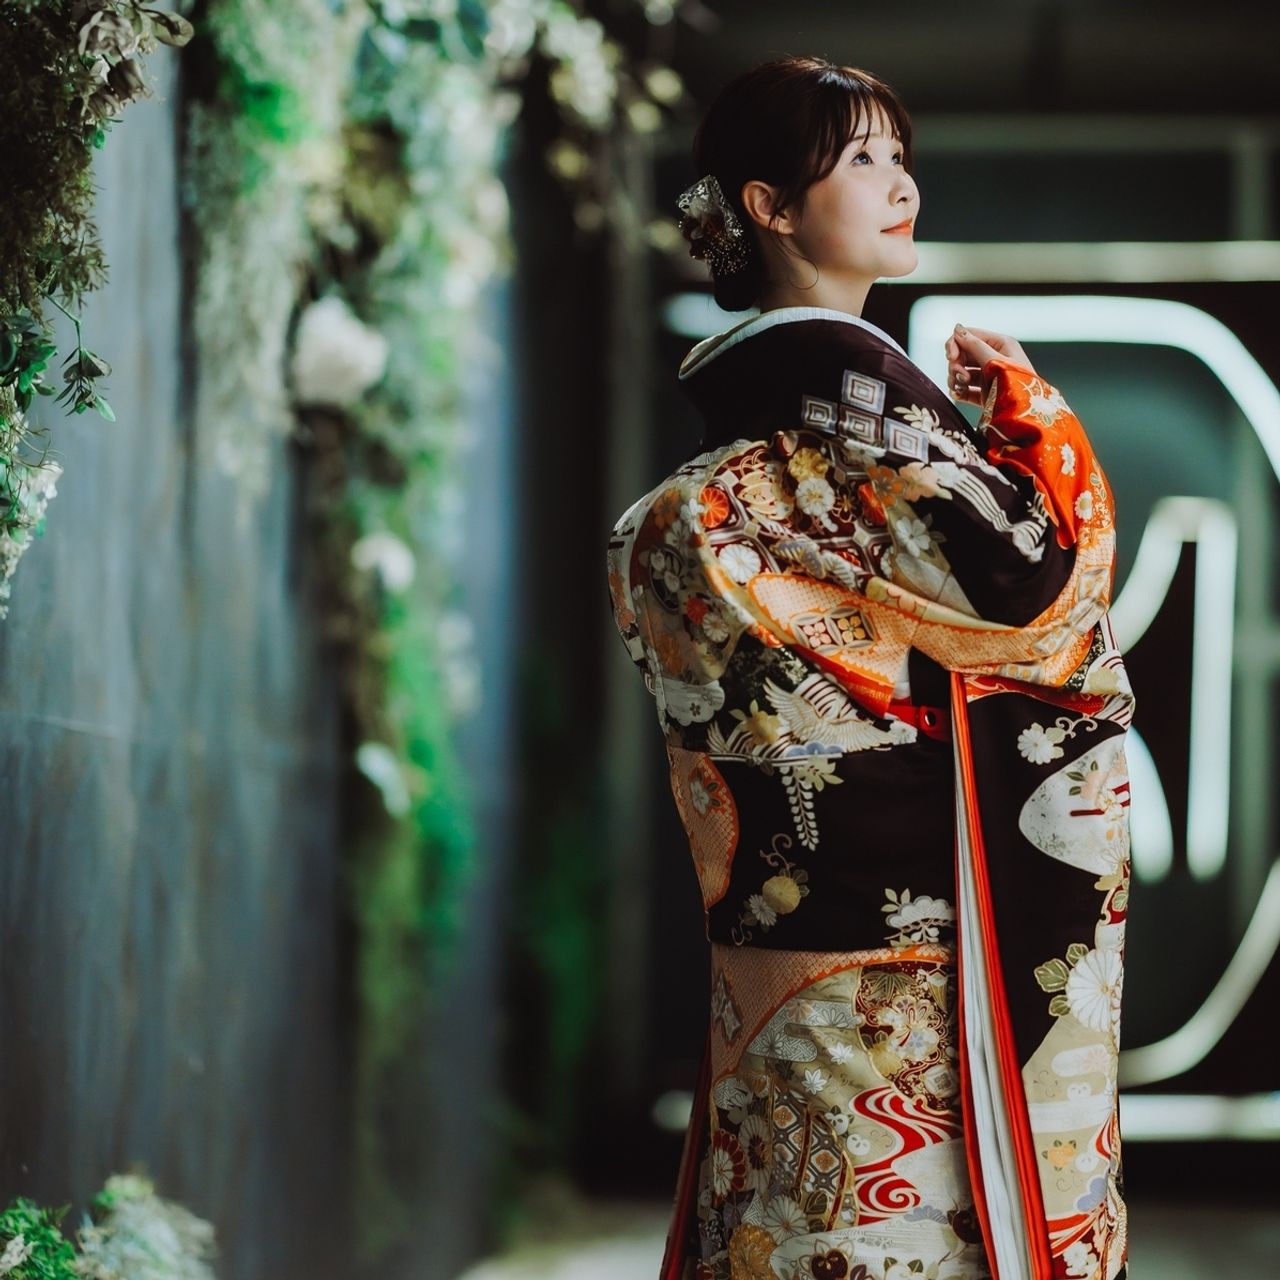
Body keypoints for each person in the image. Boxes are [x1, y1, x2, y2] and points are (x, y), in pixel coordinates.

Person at [605, 55, 1134, 1280]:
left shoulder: (712, 471)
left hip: (783, 920)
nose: (899, 183)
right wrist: (1032, 421)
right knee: (902, 1224)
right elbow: (1034, 586)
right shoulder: (854, 407)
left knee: (789, 1205)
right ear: (768, 207)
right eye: (859, 159)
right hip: (915, 939)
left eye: (900, 156)